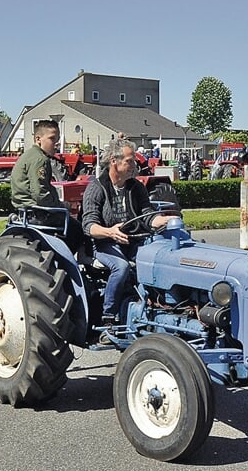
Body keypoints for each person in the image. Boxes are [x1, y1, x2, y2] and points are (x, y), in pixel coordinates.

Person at [81, 138, 177, 324]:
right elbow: (89, 225)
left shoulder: (137, 187)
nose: (135, 165)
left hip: (133, 240)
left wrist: (164, 220)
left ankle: (156, 305)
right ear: (114, 162)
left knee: (162, 257)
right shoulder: (96, 188)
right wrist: (110, 232)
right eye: (129, 161)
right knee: (121, 267)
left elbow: (147, 216)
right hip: (103, 243)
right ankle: (108, 315)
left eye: (134, 160)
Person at [11, 119, 82, 252]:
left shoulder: (29, 155)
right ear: (38, 139)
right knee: (78, 229)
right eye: (52, 139)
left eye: (57, 139)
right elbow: (40, 194)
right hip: (38, 214)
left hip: (27, 211)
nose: (55, 143)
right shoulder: (40, 159)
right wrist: (63, 206)